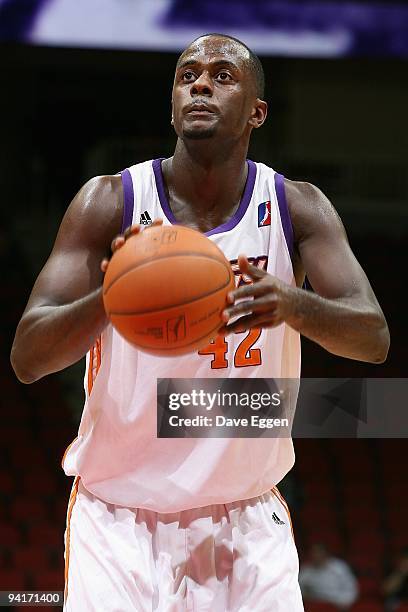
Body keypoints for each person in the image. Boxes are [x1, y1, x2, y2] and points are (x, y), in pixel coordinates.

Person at [11, 33, 389, 611]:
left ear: (257, 112)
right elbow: (27, 359)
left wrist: (294, 305)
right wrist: (110, 298)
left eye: (222, 75)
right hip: (118, 521)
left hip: (245, 522)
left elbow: (374, 338)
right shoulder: (109, 200)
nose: (202, 84)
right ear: (171, 104)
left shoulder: (296, 208)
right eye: (188, 75)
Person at [299, 543, 359, 610]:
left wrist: (334, 601)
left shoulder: (340, 568)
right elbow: (297, 593)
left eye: (319, 552)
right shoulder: (305, 571)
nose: (316, 555)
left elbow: (352, 592)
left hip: (336, 607)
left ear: (326, 553)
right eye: (314, 553)